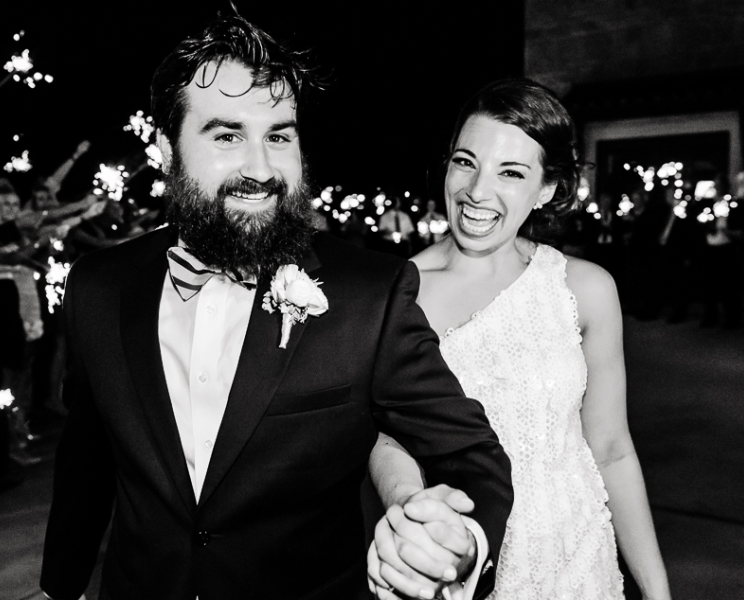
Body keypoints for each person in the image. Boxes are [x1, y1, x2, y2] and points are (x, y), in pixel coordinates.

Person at [40, 14, 512, 600]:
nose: (261, 169)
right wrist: (58, 587)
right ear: (166, 149)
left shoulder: (370, 292)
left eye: (279, 136)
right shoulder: (97, 286)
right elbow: (86, 460)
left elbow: (471, 453)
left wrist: (461, 538)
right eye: (226, 135)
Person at [368, 79, 671, 600]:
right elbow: (388, 435)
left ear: (548, 187)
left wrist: (657, 588)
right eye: (466, 162)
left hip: (579, 557)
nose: (477, 192)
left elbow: (611, 448)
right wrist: (421, 524)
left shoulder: (585, 288)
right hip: (467, 556)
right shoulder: (397, 293)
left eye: (511, 173)